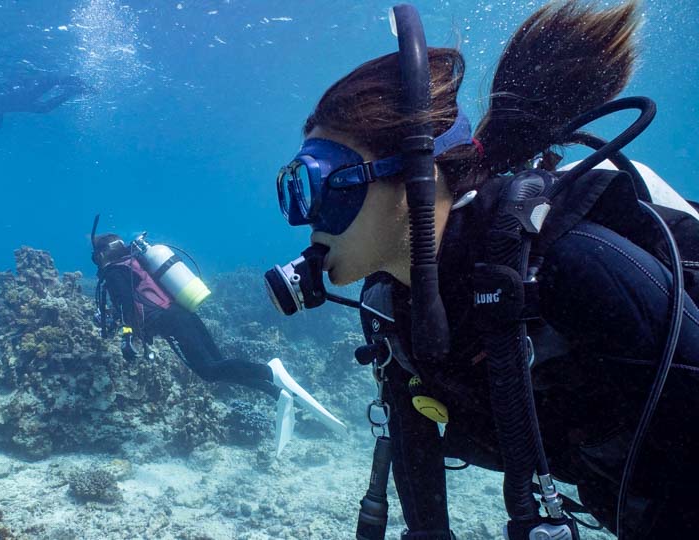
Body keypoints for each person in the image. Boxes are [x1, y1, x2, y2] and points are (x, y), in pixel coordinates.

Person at [266, 1, 699, 538]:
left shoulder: (573, 264)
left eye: (318, 185)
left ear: (415, 174)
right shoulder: (393, 308)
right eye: (294, 193)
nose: (306, 220)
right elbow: (412, 439)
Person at [90, 227, 346, 456]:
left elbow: (126, 303)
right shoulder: (132, 264)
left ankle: (270, 371)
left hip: (173, 325)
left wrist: (126, 336)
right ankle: (275, 392)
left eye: (96, 257)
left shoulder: (114, 272)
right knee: (218, 366)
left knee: (209, 370)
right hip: (185, 315)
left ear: (102, 255)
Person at [0, 67, 90, 129]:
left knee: (50, 84)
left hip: (23, 97)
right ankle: (71, 91)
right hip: (24, 101)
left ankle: (75, 83)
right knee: (45, 106)